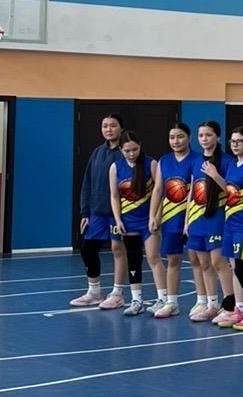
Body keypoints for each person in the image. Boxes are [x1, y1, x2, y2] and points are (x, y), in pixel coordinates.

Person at [204, 127, 243, 331]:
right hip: (231, 222)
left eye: (240, 141)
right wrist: (216, 176)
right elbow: (231, 191)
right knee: (235, 268)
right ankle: (240, 309)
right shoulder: (232, 164)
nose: (235, 144)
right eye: (232, 141)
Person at [71, 114, 128, 308]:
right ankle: (94, 292)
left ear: (121, 128)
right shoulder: (97, 152)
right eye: (105, 126)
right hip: (97, 212)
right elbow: (87, 182)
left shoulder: (126, 152)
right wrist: (85, 212)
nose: (108, 129)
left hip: (118, 213)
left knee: (117, 249)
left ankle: (117, 293)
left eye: (113, 125)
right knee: (88, 249)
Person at [108, 131, 163, 315]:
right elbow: (114, 196)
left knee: (153, 257)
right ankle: (136, 300)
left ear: (140, 146)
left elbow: (159, 192)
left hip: (147, 221)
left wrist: (155, 217)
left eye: (135, 149)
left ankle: (163, 299)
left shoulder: (151, 164)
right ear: (120, 150)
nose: (131, 154)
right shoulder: (116, 167)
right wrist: (118, 219)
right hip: (128, 221)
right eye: (127, 151)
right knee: (133, 259)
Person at [185, 121, 232, 323]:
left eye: (208, 135)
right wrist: (187, 220)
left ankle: (230, 305)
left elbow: (233, 192)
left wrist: (215, 175)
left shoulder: (227, 161)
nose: (204, 139)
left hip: (216, 218)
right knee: (203, 263)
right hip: (197, 219)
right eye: (201, 135)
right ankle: (212, 304)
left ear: (218, 137)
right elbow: (192, 191)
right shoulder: (195, 160)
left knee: (218, 262)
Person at [148, 122, 195, 319]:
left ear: (189, 138)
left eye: (180, 136)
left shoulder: (197, 159)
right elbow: (158, 189)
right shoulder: (164, 161)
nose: (176, 141)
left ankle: (207, 302)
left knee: (200, 260)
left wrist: (189, 219)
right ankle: (172, 302)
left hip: (193, 217)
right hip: (170, 218)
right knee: (173, 260)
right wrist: (153, 215)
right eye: (172, 137)